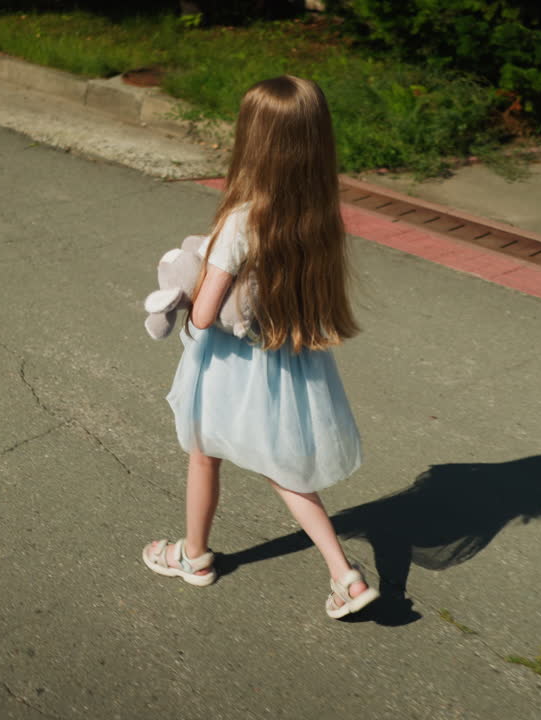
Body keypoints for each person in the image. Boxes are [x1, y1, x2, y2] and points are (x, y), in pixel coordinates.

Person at [142, 75, 377, 619]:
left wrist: (187, 280)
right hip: (286, 359)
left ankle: (195, 556)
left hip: (230, 367)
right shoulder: (318, 216)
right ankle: (344, 575)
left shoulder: (241, 222)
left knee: (204, 453)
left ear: (252, 141)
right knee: (283, 468)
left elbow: (204, 314)